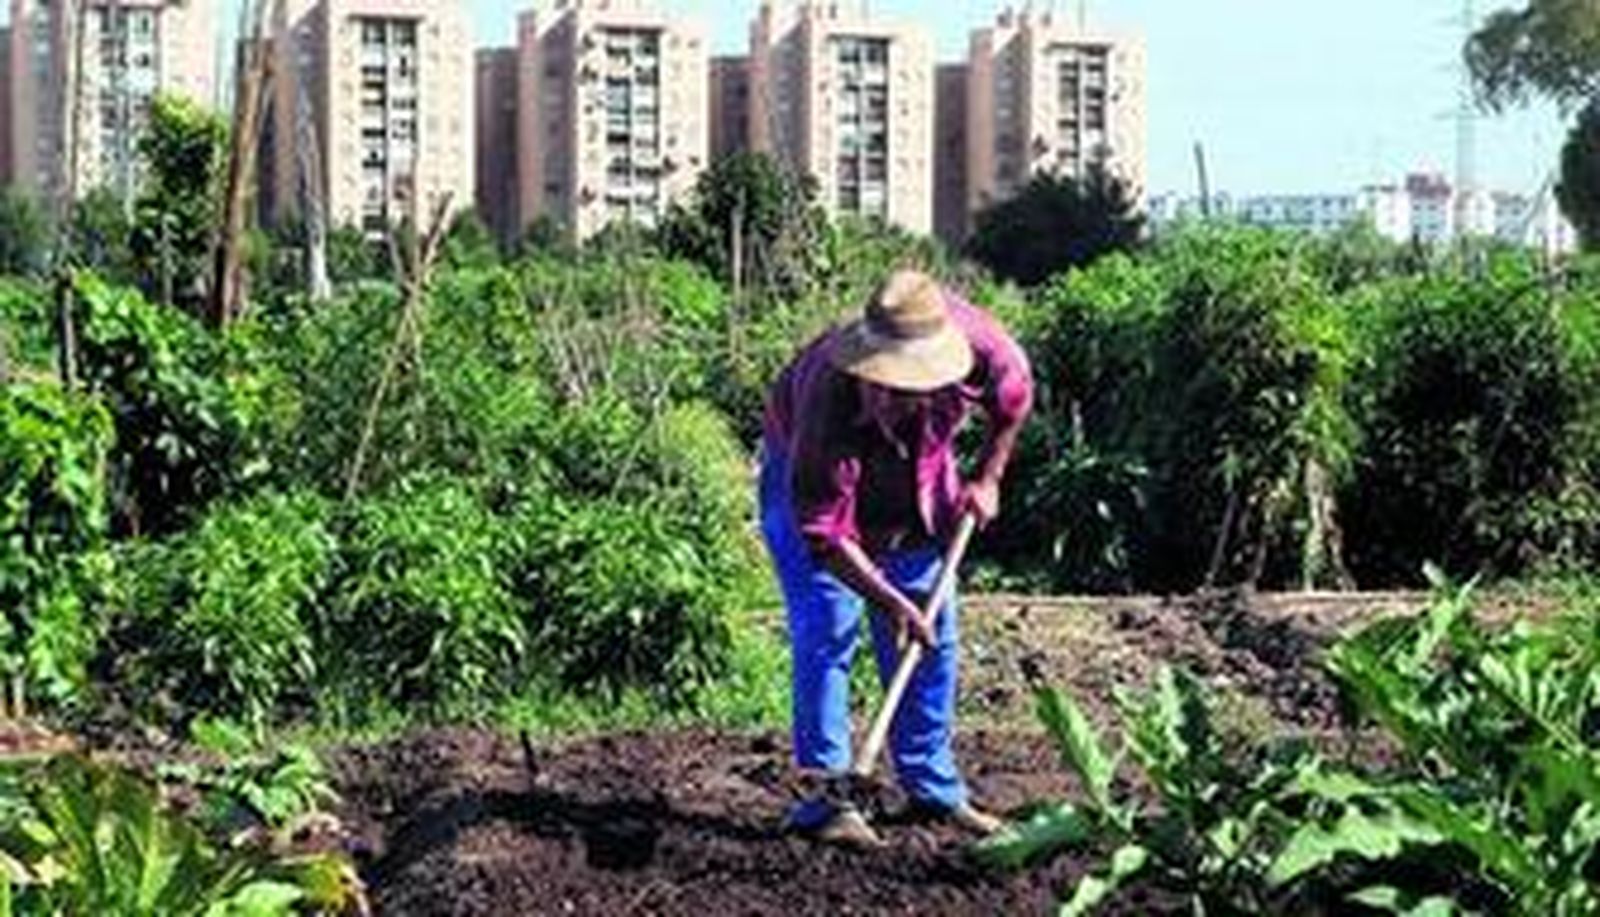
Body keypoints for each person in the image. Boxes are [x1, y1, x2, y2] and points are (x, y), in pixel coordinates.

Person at [758, 268, 1034, 847]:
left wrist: (988, 477)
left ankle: (931, 787)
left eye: (906, 387)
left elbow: (1014, 396)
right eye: (879, 382)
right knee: (828, 623)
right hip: (812, 480)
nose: (887, 397)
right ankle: (829, 796)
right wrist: (888, 600)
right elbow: (825, 535)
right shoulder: (825, 398)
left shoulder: (981, 349)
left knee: (934, 627)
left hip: (922, 476)